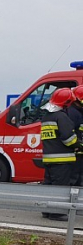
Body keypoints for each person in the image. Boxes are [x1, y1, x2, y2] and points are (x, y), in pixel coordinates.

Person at [40, 88, 78, 220]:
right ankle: (57, 213)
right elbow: (68, 138)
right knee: (61, 187)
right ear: (67, 103)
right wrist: (78, 144)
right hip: (62, 158)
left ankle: (47, 211)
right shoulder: (62, 117)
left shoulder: (46, 117)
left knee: (49, 185)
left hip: (49, 158)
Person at [67, 85, 83, 186]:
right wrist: (78, 145)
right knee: (75, 178)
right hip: (76, 152)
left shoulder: (78, 111)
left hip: (79, 151)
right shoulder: (73, 113)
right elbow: (70, 132)